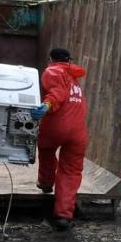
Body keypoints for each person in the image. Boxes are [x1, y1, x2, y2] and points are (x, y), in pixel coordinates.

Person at [31, 47, 88, 231]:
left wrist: (46, 105)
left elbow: (58, 94)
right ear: (69, 60)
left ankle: (46, 182)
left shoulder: (53, 70)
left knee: (46, 150)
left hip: (56, 126)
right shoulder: (74, 78)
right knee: (70, 171)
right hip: (78, 132)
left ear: (51, 59)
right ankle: (64, 216)